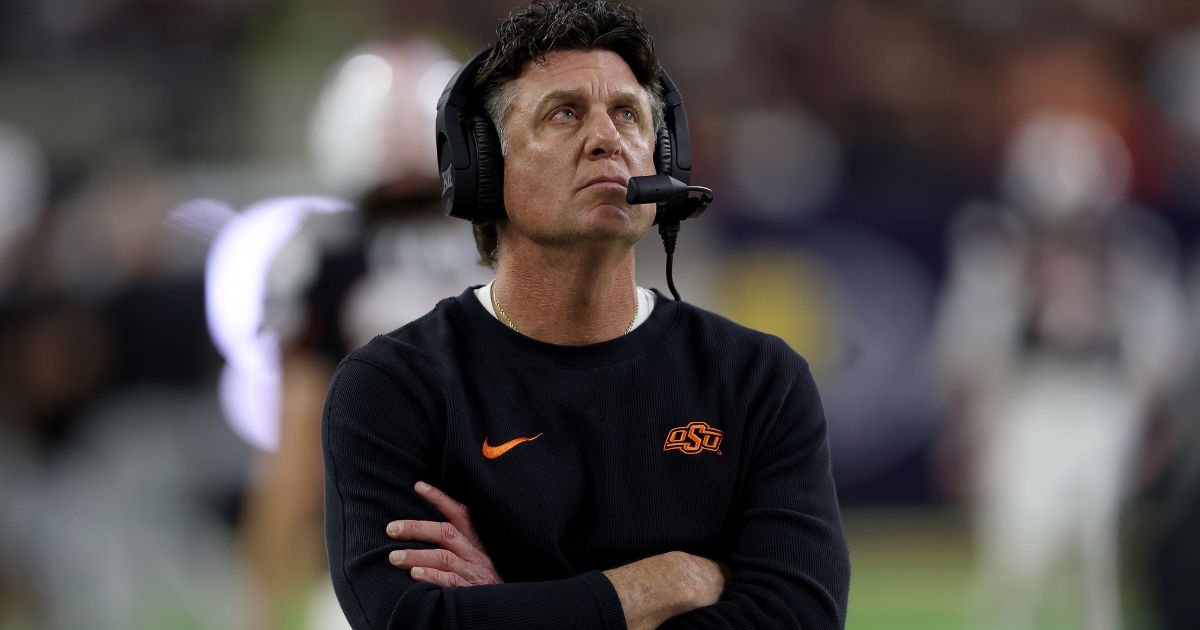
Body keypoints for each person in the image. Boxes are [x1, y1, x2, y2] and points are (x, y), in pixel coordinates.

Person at [321, 1, 851, 628]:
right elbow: (411, 623)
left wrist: (511, 604)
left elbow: (800, 617)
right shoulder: (393, 386)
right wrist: (664, 584)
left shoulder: (759, 379)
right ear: (484, 169)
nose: (607, 139)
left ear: (665, 160)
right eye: (564, 113)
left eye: (628, 114)